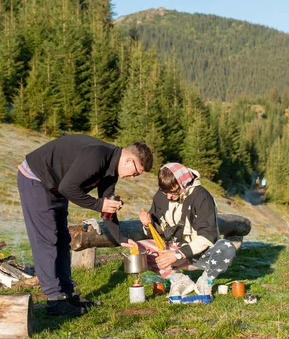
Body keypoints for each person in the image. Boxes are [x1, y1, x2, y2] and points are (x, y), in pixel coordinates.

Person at [18, 134, 153, 316]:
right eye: (136, 172)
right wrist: (99, 204)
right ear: (129, 160)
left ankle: (67, 295)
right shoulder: (98, 156)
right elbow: (69, 188)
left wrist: (121, 239)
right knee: (47, 239)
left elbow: (107, 209)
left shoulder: (111, 171)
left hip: (56, 186)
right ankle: (54, 300)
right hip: (36, 178)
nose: (133, 177)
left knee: (63, 238)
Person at [128, 162, 236, 299]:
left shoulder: (202, 197)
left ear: (184, 184)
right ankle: (179, 280)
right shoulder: (162, 195)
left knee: (227, 248)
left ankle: (205, 281)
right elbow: (157, 232)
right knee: (139, 249)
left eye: (173, 192)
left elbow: (208, 237)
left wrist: (178, 255)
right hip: (172, 249)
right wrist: (147, 224)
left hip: (201, 254)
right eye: (165, 192)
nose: (168, 197)